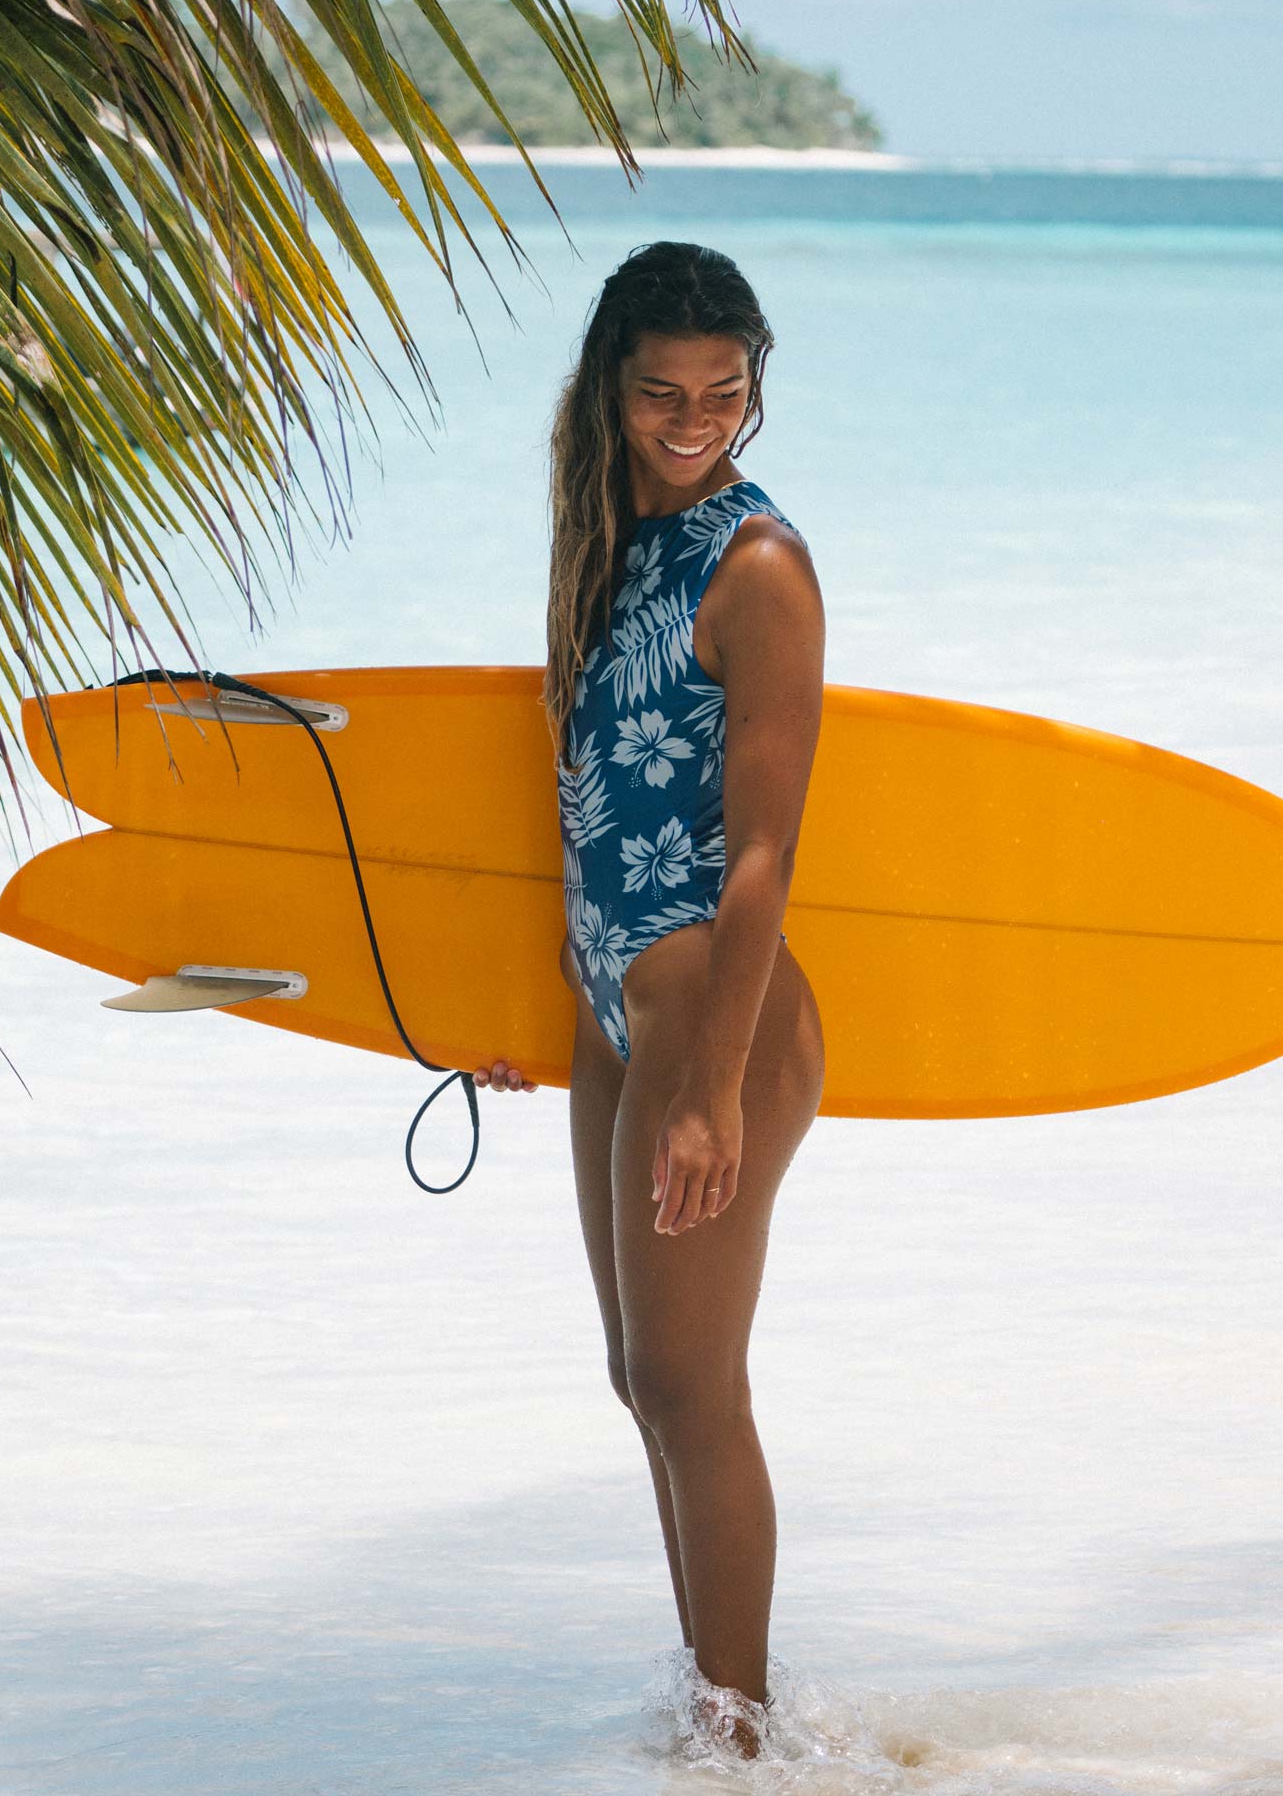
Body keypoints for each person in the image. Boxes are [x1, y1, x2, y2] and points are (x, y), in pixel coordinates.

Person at [473, 240, 826, 1761]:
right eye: (661, 394)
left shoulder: (757, 566)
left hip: (716, 1022)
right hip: (618, 1010)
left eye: (724, 395)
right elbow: (580, 802)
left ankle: (741, 1744)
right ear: (609, 393)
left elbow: (759, 850)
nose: (694, 421)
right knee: (642, 1377)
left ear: (754, 392)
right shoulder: (603, 532)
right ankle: (711, 1712)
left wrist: (708, 1085)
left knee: (694, 1380)